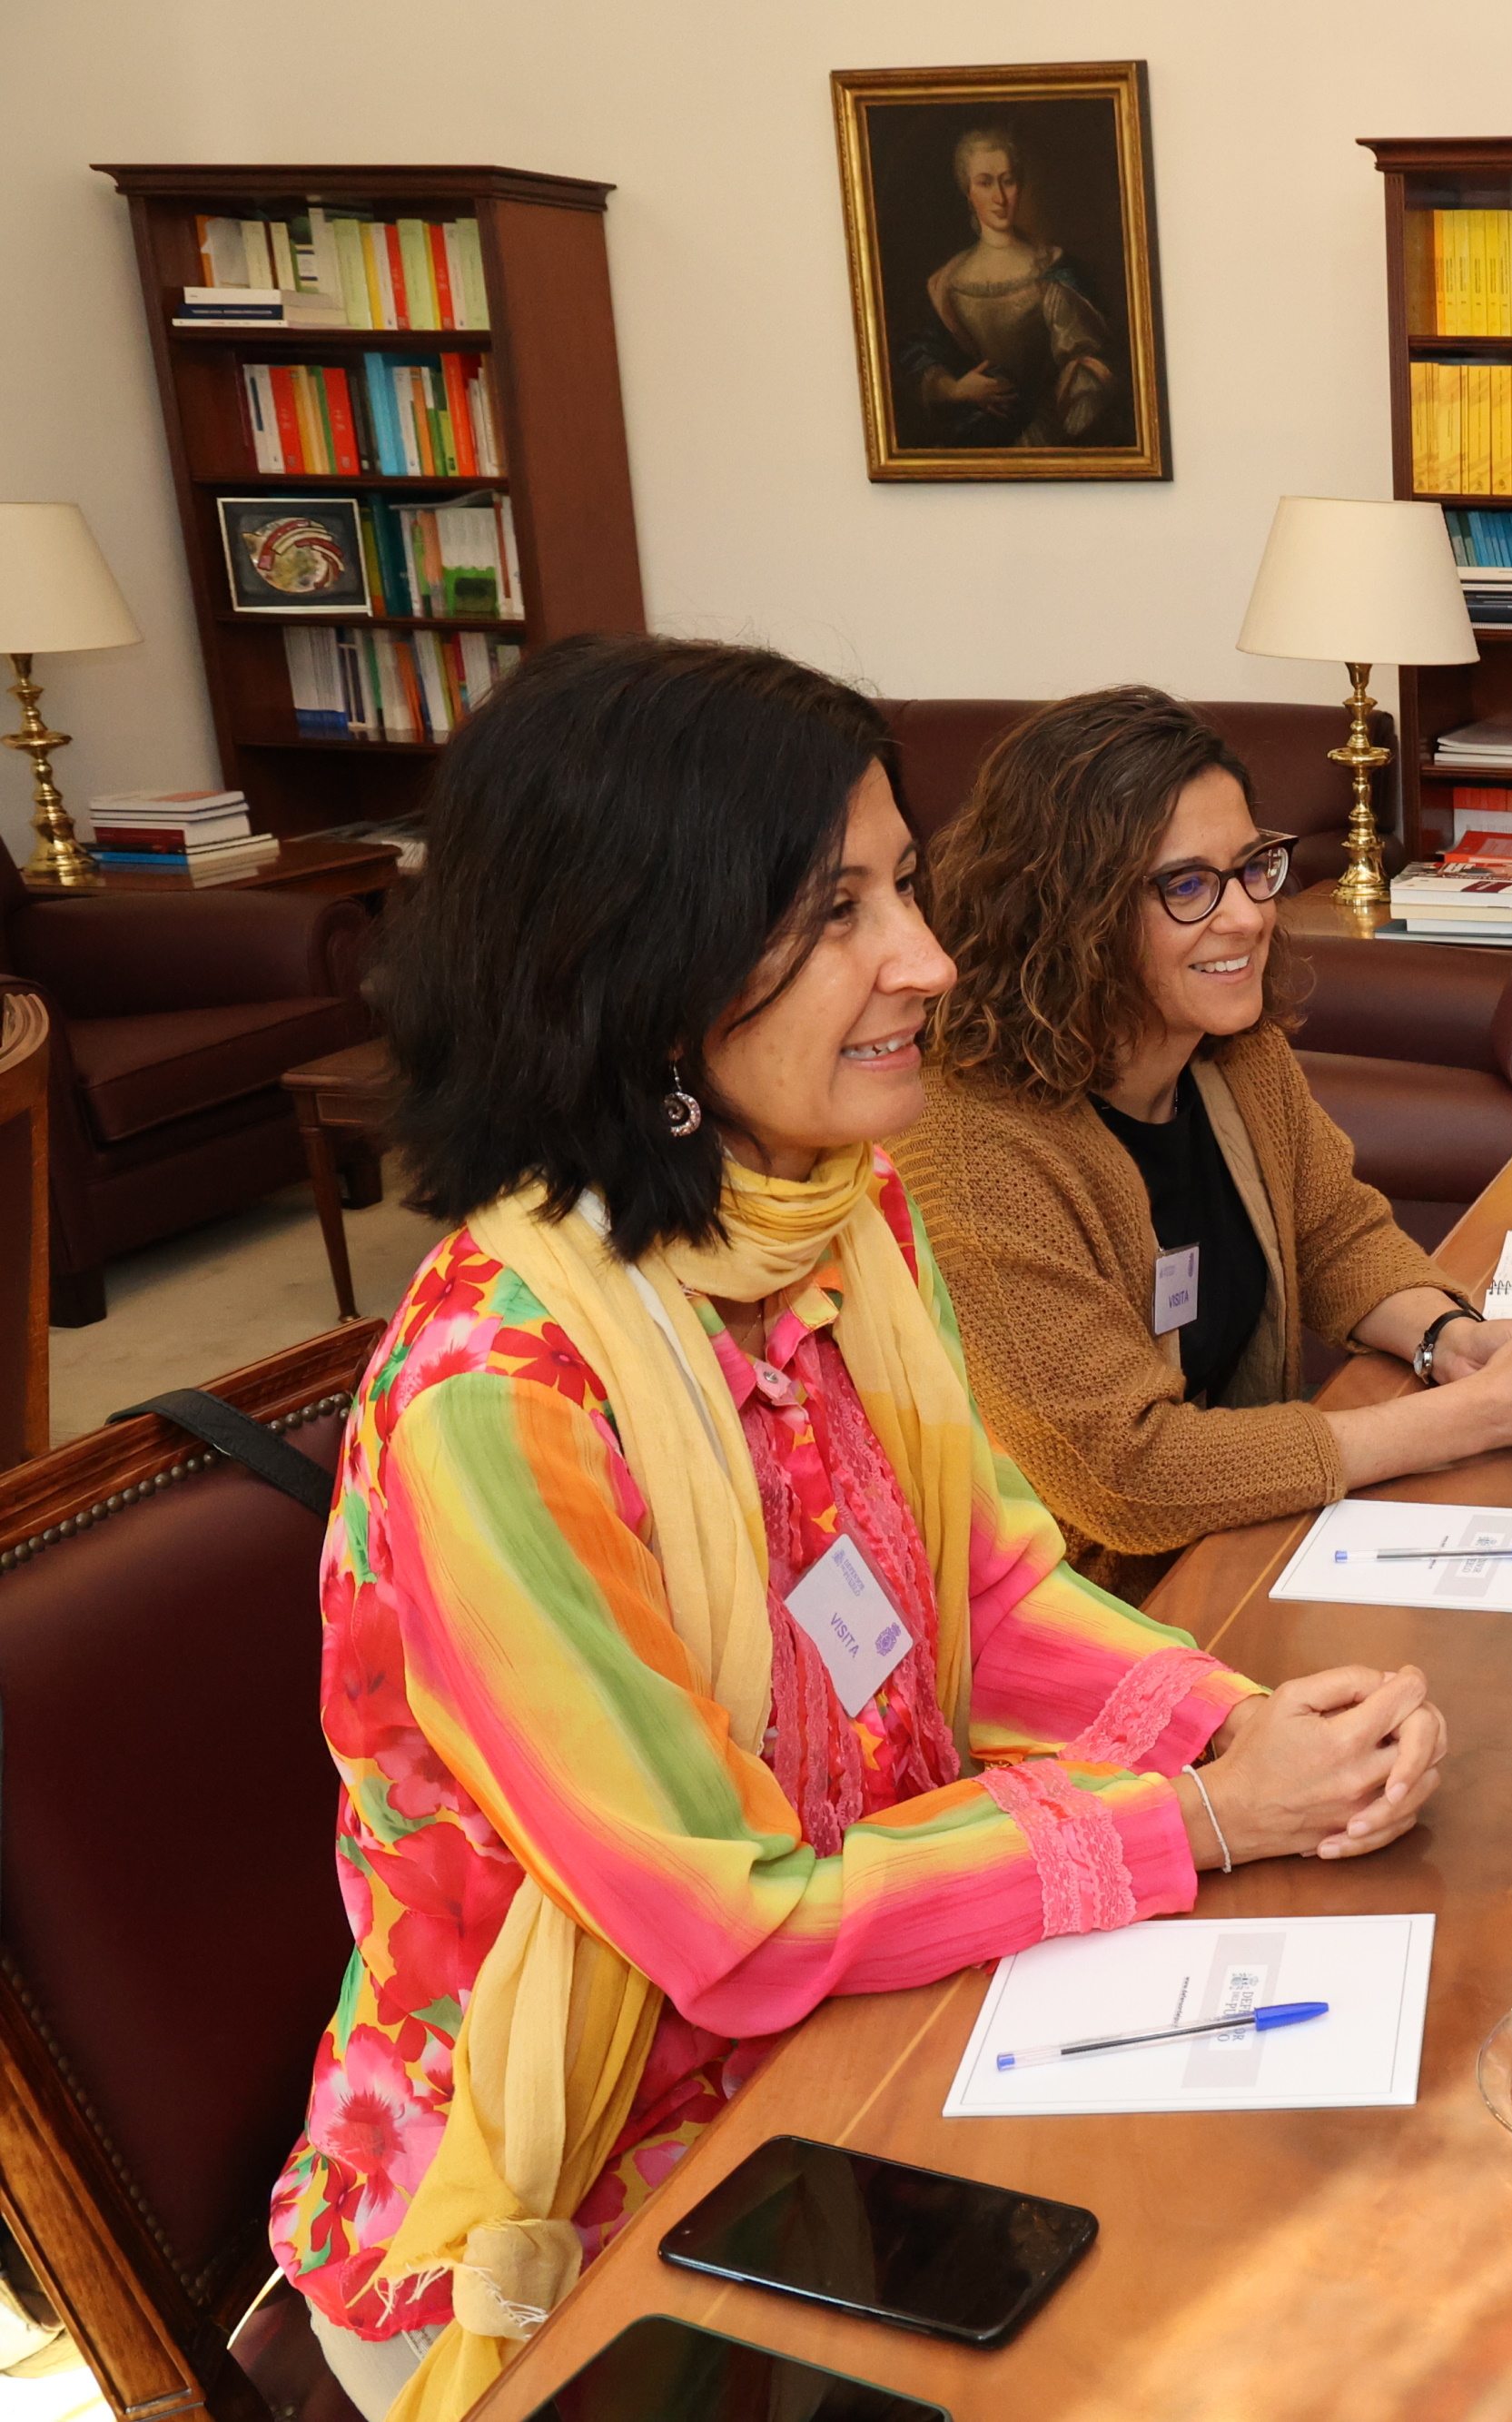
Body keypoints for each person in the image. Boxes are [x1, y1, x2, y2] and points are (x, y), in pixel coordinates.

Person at [266, 638, 1450, 2422]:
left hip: (847, 2035)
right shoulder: (498, 1395)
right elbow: (727, 1931)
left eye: (899, 888)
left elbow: (988, 1593)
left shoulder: (833, 1217)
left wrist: (1233, 1720)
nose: (928, 960)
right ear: (638, 963)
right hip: (584, 2201)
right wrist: (1195, 1821)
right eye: (839, 910)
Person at [894, 687, 1512, 1599]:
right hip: (1089, 1617)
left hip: (1247, 1549)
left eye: (1252, 868)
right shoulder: (970, 1145)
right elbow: (1123, 1476)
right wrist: (1477, 1417)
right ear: (1066, 911)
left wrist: (1453, 1341)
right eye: (1187, 885)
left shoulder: (1235, 1055)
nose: (1245, 916)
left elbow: (1334, 1237)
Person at [895, 120, 1124, 450]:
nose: (999, 197)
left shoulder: (1053, 269)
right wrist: (955, 389)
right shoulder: (947, 282)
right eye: (985, 183)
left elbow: (1095, 359)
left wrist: (1079, 385)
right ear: (968, 191)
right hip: (973, 443)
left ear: (1020, 185)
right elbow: (918, 358)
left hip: (1048, 438)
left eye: (1008, 181)